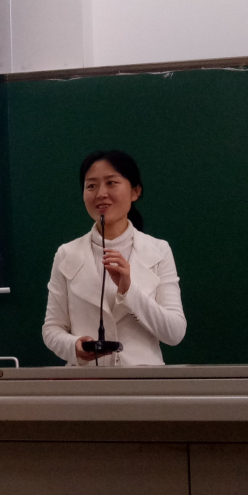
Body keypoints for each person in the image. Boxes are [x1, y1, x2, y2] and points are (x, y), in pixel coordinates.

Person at [42, 150, 186, 366]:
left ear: (135, 191)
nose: (101, 193)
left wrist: (129, 290)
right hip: (87, 381)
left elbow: (174, 332)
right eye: (91, 186)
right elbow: (52, 329)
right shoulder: (67, 254)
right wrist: (75, 347)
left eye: (111, 183)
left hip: (144, 381)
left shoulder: (158, 250)